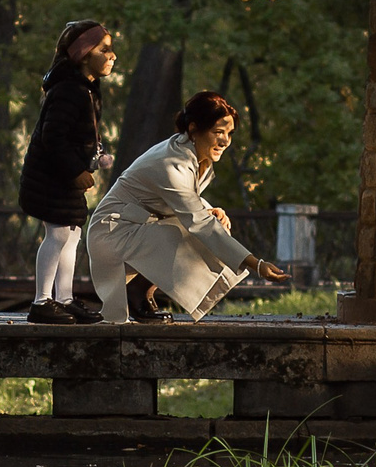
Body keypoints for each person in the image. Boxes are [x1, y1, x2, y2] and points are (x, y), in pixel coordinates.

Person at [85, 90, 283, 324]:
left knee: (213, 226)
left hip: (136, 229)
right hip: (112, 233)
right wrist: (256, 264)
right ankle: (137, 293)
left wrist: (210, 210)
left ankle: (140, 292)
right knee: (197, 232)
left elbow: (187, 203)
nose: (225, 141)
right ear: (193, 129)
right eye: (218, 132)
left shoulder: (194, 156)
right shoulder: (171, 163)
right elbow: (197, 221)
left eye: (229, 133)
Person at [17, 19, 116, 325]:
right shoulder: (70, 90)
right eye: (105, 49)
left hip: (64, 179)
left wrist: (92, 156)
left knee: (71, 235)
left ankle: (64, 298)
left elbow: (81, 133)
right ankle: (42, 301)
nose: (112, 56)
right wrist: (75, 170)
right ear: (84, 54)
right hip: (51, 179)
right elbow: (53, 137)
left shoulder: (86, 90)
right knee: (58, 235)